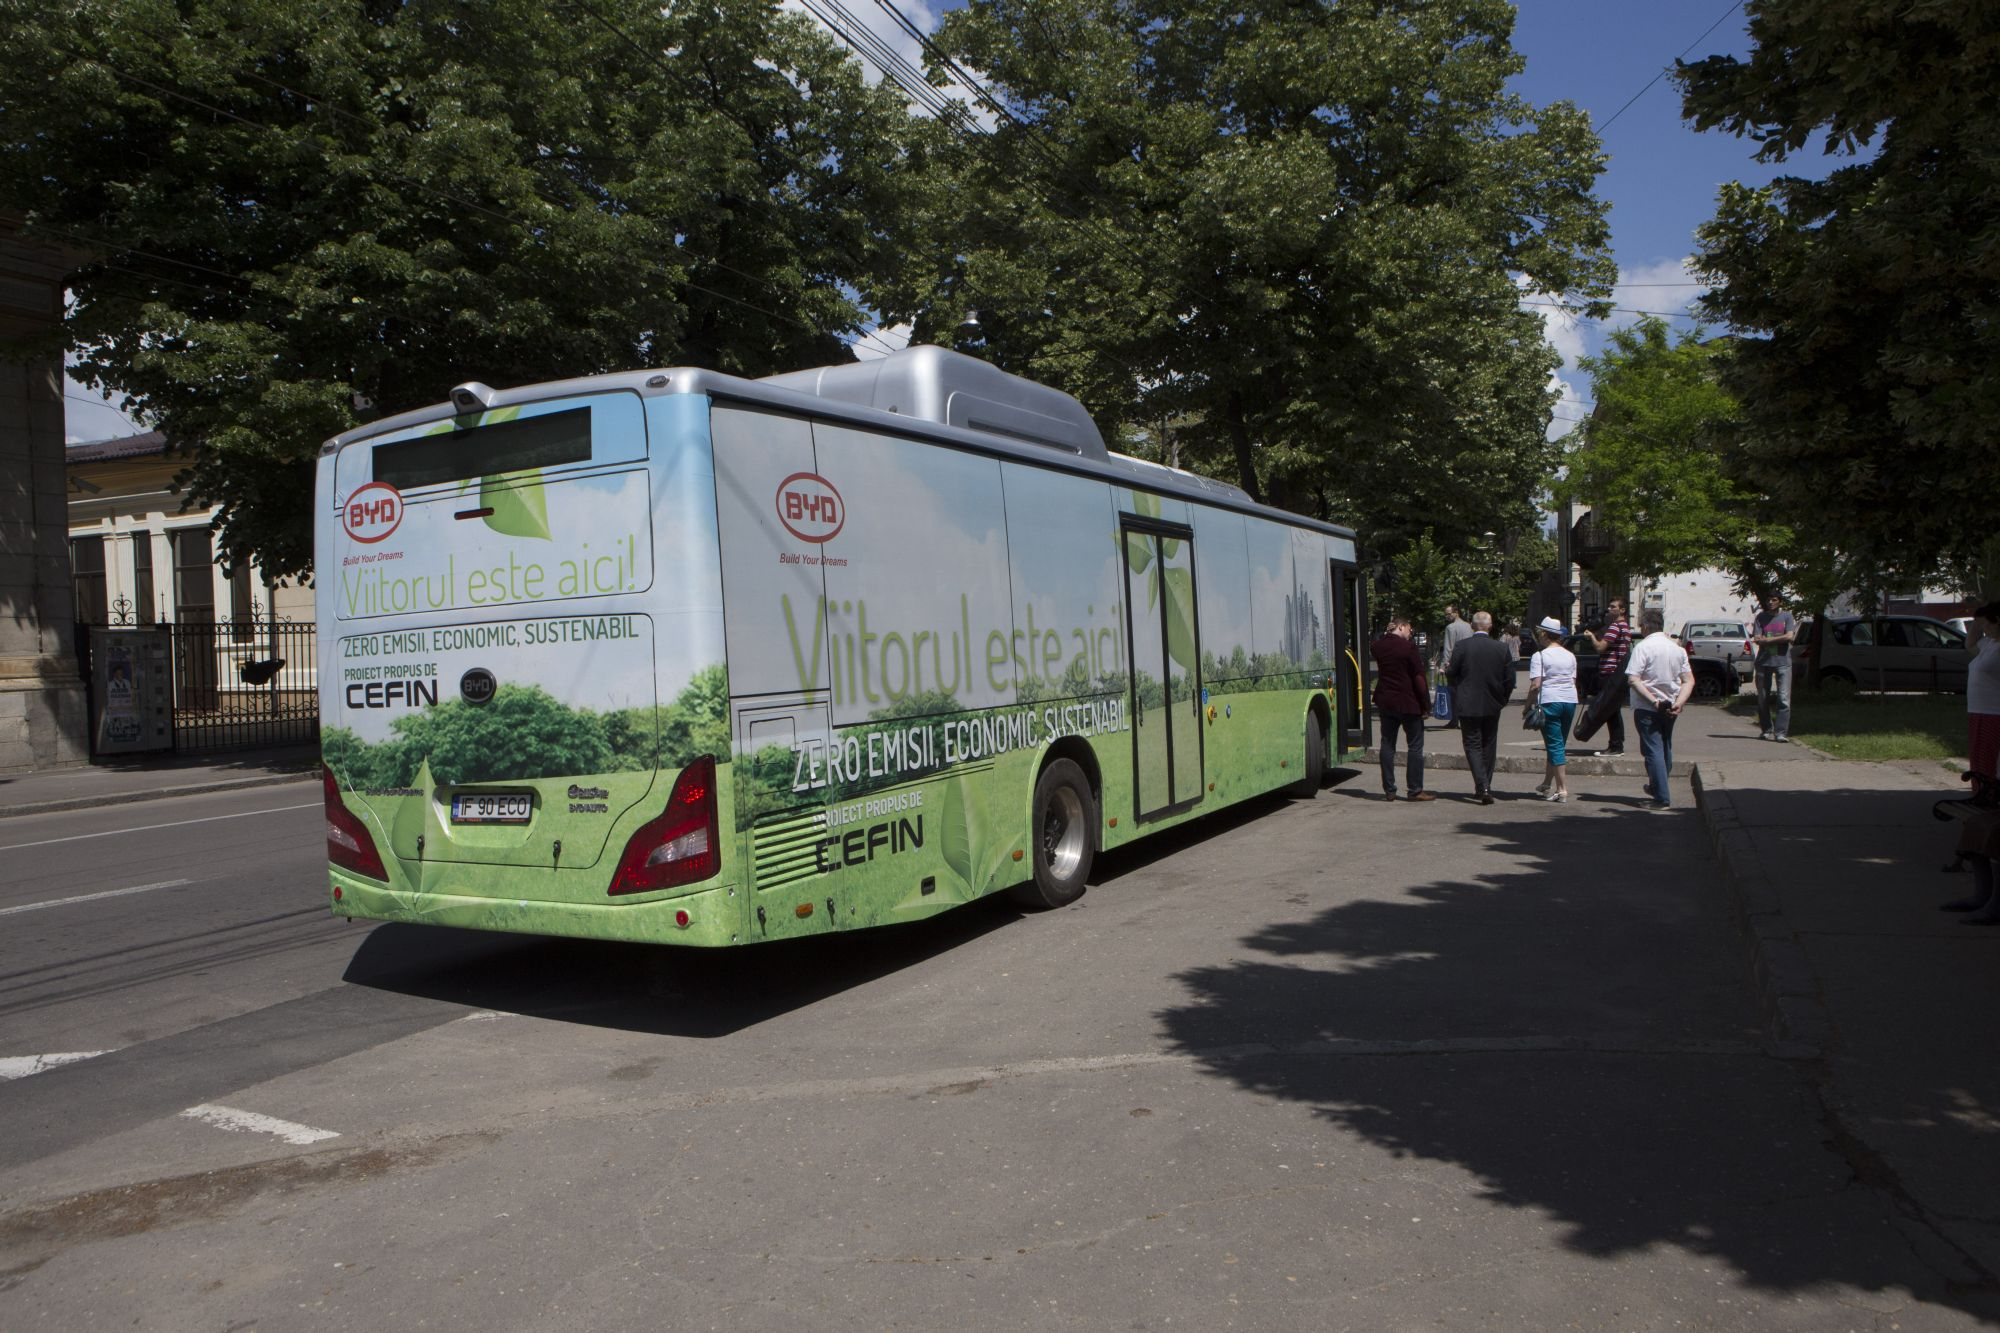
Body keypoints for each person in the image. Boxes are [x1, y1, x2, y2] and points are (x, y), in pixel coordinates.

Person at [1625, 609, 1694, 810]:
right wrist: (1679, 702)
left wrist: (1653, 701)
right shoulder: (1677, 649)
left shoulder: (1643, 647)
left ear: (1645, 626)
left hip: (1648, 707)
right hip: (1671, 706)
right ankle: (1657, 786)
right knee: (1665, 746)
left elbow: (1633, 679)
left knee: (1652, 750)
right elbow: (1688, 680)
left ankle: (1661, 797)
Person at [1446, 610, 1514, 804]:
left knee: (1472, 744)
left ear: (1472, 625)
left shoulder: (1462, 646)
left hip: (1467, 703)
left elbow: (1451, 672)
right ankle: (1485, 786)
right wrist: (1503, 699)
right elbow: (1510, 679)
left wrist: (1457, 690)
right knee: (1489, 744)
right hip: (1493, 703)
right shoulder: (1501, 648)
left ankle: (1482, 786)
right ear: (1490, 626)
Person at [1370, 616, 1435, 801]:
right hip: (1409, 702)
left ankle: (1389, 790)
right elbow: (1419, 677)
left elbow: (1377, 644)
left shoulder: (1378, 646)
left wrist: (1387, 632)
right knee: (1415, 746)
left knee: (1387, 744)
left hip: (1386, 701)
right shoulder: (1408, 648)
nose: (1410, 633)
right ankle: (1415, 790)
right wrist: (1426, 705)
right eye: (1409, 629)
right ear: (1401, 626)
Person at [1525, 616, 1579, 802]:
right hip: (1570, 701)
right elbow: (1572, 680)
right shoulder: (1570, 655)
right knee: (1557, 744)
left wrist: (1527, 706)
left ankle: (1562, 789)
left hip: (1550, 701)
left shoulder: (1540, 656)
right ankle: (1547, 782)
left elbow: (1535, 685)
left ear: (1545, 635)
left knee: (1554, 745)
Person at [1583, 597, 1633, 755]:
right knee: (1613, 709)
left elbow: (1600, 648)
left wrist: (1591, 636)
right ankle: (1616, 744)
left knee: (1609, 710)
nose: (1609, 609)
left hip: (1610, 672)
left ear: (1622, 610)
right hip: (1619, 672)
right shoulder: (1625, 627)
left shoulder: (1615, 627)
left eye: (1613, 607)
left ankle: (1616, 746)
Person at [1751, 592, 1796, 742]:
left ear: (1780, 602)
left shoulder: (1787, 617)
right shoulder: (1760, 617)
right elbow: (1757, 638)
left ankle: (1781, 732)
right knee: (1763, 698)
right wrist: (1778, 639)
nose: (1770, 602)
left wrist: (1768, 640)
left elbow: (1790, 636)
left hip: (1783, 662)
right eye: (1768, 599)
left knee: (1783, 699)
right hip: (1763, 663)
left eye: (1774, 600)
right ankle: (1766, 730)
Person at [1967, 601, 2000, 784]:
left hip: (1995, 713)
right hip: (1978, 710)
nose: (1983, 628)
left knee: (1990, 761)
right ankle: (1980, 797)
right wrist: (1977, 619)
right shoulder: (1989, 643)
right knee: (1979, 760)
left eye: (1986, 623)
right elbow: (1970, 644)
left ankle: (1992, 800)